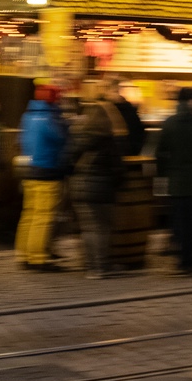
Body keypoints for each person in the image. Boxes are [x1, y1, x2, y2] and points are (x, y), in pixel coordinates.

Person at [155, 87, 192, 275]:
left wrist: (164, 172)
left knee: (178, 218)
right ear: (190, 102)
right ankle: (190, 258)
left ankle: (182, 257)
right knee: (191, 219)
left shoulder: (169, 123)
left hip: (175, 178)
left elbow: (160, 152)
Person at [68, 100, 126, 279]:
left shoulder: (78, 137)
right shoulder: (107, 141)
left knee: (87, 229)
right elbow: (117, 169)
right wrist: (117, 185)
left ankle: (91, 266)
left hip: (79, 188)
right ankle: (100, 267)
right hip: (101, 189)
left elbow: (69, 159)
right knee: (101, 228)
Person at [16, 85, 69, 272]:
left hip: (30, 170)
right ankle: (38, 258)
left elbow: (20, 140)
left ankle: (24, 253)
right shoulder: (51, 118)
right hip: (47, 172)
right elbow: (62, 139)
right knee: (43, 217)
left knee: (29, 214)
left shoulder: (28, 116)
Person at [102, 77, 145, 156]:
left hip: (116, 157)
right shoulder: (129, 109)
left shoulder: (105, 110)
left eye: (115, 91)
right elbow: (140, 134)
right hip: (125, 155)